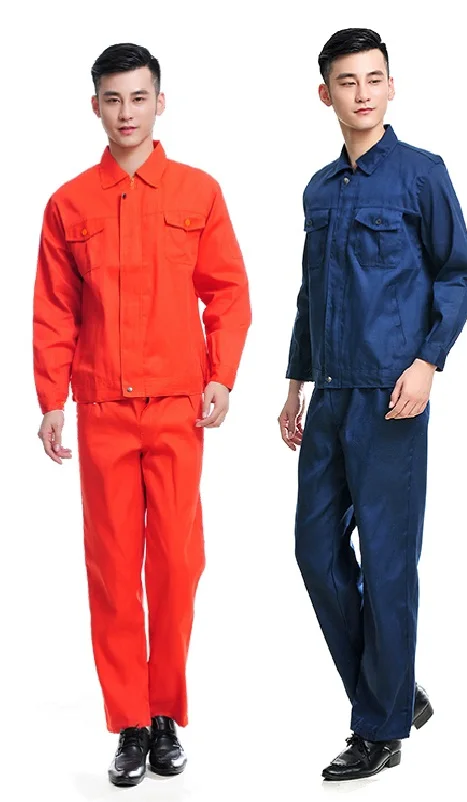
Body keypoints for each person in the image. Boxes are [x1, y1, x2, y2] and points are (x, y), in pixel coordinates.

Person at [32, 43, 251, 787]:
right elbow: (55, 309)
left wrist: (222, 375)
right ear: (95, 106)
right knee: (114, 568)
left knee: (177, 565)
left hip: (178, 408)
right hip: (100, 408)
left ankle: (164, 712)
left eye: (138, 97)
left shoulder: (198, 191)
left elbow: (227, 291)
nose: (126, 112)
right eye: (113, 98)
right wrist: (50, 400)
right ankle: (129, 722)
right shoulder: (69, 203)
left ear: (161, 102)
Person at [278, 28, 467, 782]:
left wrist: (428, 363)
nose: (361, 93)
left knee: (389, 565)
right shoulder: (319, 190)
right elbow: (311, 292)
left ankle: (378, 730)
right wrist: (295, 384)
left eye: (373, 78)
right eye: (347, 81)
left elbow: (458, 275)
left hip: (393, 397)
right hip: (330, 394)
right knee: (315, 552)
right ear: (324, 93)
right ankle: (394, 691)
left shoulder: (423, 174)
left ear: (391, 86)